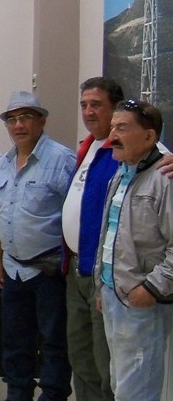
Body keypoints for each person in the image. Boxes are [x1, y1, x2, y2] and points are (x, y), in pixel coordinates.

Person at [0, 91, 74, 401]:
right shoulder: (4, 163)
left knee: (54, 340)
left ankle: (53, 393)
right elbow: (3, 214)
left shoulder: (62, 160)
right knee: (15, 340)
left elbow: (76, 214)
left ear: (41, 121)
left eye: (26, 117)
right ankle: (18, 392)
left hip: (48, 269)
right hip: (13, 268)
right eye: (12, 119)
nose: (18, 125)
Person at [95, 99, 173, 401]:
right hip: (114, 297)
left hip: (143, 302)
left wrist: (151, 288)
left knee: (136, 392)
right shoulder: (121, 174)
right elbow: (110, 234)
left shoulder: (164, 179)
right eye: (112, 127)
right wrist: (103, 286)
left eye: (122, 128)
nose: (112, 135)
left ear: (149, 136)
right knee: (121, 385)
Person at [60, 77, 121, 401]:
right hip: (76, 270)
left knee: (105, 360)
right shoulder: (88, 146)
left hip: (105, 275)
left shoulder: (127, 149)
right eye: (84, 105)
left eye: (96, 105)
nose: (88, 112)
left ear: (116, 108)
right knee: (80, 356)